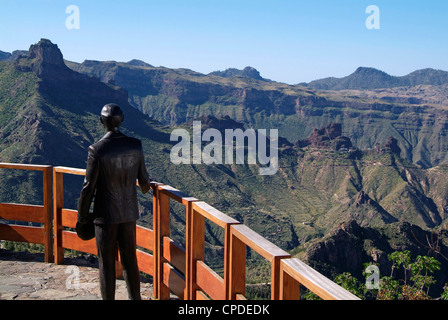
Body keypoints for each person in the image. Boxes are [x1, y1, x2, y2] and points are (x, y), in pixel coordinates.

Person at [77, 103, 151, 300]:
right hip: (128, 214)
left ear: (102, 121)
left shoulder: (96, 150)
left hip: (105, 216)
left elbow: (88, 188)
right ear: (122, 120)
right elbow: (144, 182)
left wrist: (82, 216)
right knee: (130, 261)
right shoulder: (136, 145)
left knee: (107, 264)